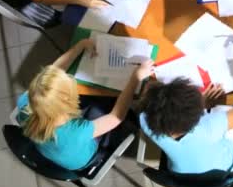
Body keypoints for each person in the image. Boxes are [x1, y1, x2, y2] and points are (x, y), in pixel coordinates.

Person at [16, 38, 154, 170]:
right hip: (85, 160)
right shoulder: (76, 131)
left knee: (95, 102)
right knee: (102, 106)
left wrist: (80, 46)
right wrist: (136, 77)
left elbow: (54, 70)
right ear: (65, 102)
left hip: (53, 149)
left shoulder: (27, 101)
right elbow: (115, 117)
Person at [138, 34, 233, 174]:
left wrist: (200, 104)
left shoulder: (147, 122)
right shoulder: (211, 126)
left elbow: (146, 100)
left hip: (180, 177)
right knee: (227, 108)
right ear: (199, 114)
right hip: (222, 169)